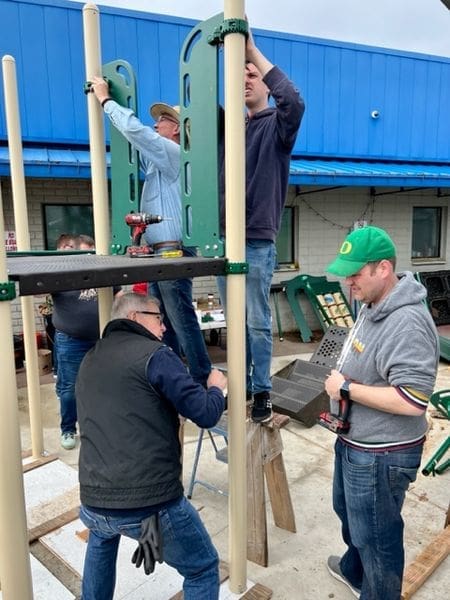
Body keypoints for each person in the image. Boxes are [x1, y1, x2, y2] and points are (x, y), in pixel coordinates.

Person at [75, 292, 227, 600]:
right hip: (148, 502)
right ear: (134, 318)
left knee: (101, 542)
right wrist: (216, 389)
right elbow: (205, 414)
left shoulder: (91, 356)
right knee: (203, 567)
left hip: (93, 499)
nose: (164, 328)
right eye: (158, 319)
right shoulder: (155, 354)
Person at [323, 225, 439, 600]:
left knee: (377, 538)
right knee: (350, 516)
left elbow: (412, 400)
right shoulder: (373, 303)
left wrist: (345, 388)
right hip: (355, 438)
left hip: (381, 453)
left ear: (384, 269)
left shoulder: (407, 322)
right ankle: (354, 572)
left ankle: (377, 592)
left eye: (355, 273)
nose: (347, 281)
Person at [90, 76, 212, 387]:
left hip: (173, 250)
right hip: (160, 253)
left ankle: (199, 378)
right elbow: (134, 140)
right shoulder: (157, 166)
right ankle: (171, 375)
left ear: (178, 129)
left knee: (180, 318)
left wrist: (107, 101)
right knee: (163, 320)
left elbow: (137, 133)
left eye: (163, 120)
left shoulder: (175, 156)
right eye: (156, 120)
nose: (156, 125)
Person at [217, 25, 305, 423]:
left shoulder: (276, 127)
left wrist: (253, 53)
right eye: (239, 77)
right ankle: (243, 384)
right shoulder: (230, 131)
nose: (246, 81)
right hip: (223, 242)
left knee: (256, 321)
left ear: (265, 85)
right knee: (234, 322)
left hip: (254, 240)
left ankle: (262, 391)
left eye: (251, 76)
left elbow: (294, 102)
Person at [52, 234, 122, 450]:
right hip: (70, 339)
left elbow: (118, 293)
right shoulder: (60, 273)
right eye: (84, 252)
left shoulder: (102, 271)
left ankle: (99, 426)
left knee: (101, 384)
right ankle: (68, 429)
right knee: (70, 389)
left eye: (92, 253)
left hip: (100, 337)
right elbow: (38, 292)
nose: (88, 257)